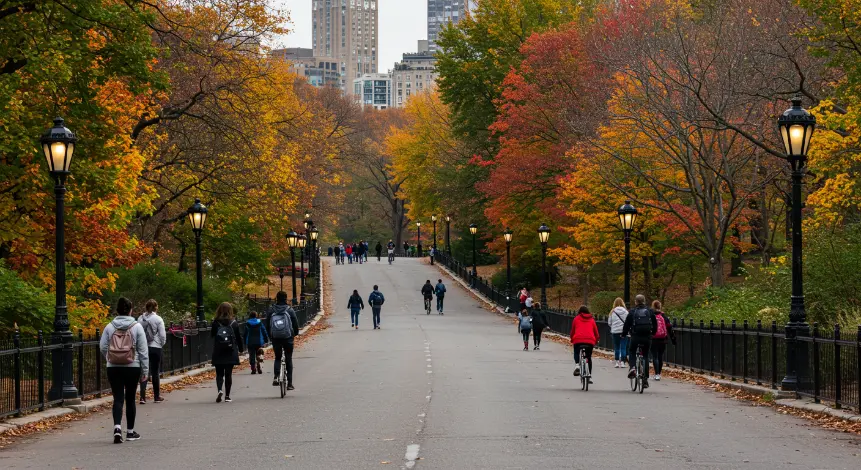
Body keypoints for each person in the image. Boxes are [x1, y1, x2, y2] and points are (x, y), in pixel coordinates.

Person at [100, 297, 148, 443]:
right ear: (131, 310)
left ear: (117, 310)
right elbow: (143, 350)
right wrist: (145, 370)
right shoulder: (137, 327)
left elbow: (102, 346)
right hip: (132, 366)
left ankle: (117, 428)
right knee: (131, 398)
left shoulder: (109, 327)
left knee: (118, 398)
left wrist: (110, 358)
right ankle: (130, 432)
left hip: (113, 367)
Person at [622, 294, 657, 388]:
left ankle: (633, 367)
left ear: (636, 302)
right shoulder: (650, 311)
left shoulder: (632, 311)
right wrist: (652, 333)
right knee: (645, 356)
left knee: (632, 351)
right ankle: (645, 379)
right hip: (647, 336)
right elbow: (654, 324)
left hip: (635, 336)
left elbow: (627, 324)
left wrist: (624, 334)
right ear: (644, 301)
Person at [267, 291, 300, 389]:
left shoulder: (271, 310)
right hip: (288, 337)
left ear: (276, 298)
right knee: (288, 358)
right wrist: (295, 334)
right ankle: (289, 384)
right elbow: (295, 324)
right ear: (286, 298)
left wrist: (270, 336)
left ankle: (276, 376)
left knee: (277, 357)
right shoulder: (289, 310)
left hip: (276, 337)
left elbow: (267, 324)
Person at [211, 302, 243, 403]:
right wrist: (241, 349)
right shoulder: (234, 323)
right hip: (230, 351)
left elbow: (212, 335)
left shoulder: (216, 322)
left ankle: (220, 389)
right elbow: (238, 337)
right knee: (228, 374)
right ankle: (227, 396)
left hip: (219, 351)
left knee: (219, 373)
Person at [138, 299, 166, 404]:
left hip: (143, 347)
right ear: (156, 307)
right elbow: (163, 335)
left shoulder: (140, 319)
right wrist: (160, 343)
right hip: (155, 347)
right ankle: (156, 396)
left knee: (144, 371)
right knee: (155, 372)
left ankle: (142, 397)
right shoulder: (158, 319)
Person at [570, 306, 599, 379]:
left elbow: (573, 331)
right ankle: (589, 375)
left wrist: (572, 338)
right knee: (588, 357)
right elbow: (596, 332)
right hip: (590, 340)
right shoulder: (592, 320)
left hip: (578, 339)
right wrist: (597, 339)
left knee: (576, 351)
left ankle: (577, 365)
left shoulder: (576, 319)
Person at [650, 300, 676, 381]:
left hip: (653, 339)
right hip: (662, 339)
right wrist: (673, 339)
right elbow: (669, 328)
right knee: (660, 356)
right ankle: (659, 373)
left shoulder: (651, 316)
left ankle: (656, 373)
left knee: (655, 356)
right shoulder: (664, 316)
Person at [607, 298, 629, 368]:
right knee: (623, 347)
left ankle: (616, 362)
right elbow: (628, 322)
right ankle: (622, 362)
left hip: (615, 331)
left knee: (616, 347)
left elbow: (609, 323)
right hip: (624, 332)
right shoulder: (626, 312)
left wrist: (614, 327)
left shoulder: (612, 312)